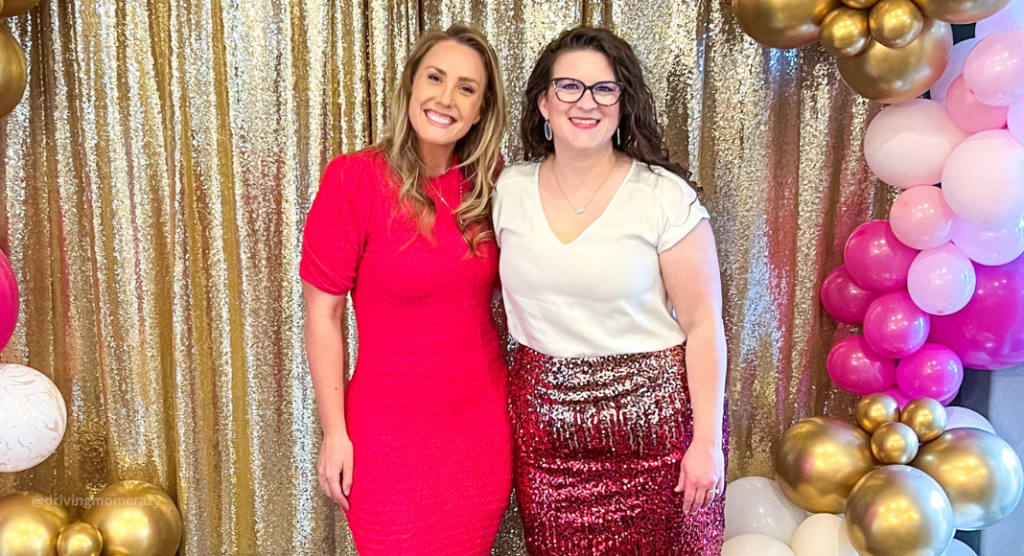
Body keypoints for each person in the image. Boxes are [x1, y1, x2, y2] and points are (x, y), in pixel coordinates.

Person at [493, 26, 729, 555]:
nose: (587, 102)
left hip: (659, 434)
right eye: (569, 87)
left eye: (605, 89)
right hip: (548, 438)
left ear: (622, 105)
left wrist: (707, 442)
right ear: (543, 104)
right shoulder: (506, 191)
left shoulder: (663, 196)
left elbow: (702, 323)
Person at [301, 25, 511, 556]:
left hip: (478, 430)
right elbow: (322, 317)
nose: (445, 98)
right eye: (435, 78)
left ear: (482, 109)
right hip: (386, 436)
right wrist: (334, 434)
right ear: (410, 87)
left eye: (466, 88)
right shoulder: (353, 181)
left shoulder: (493, 185)